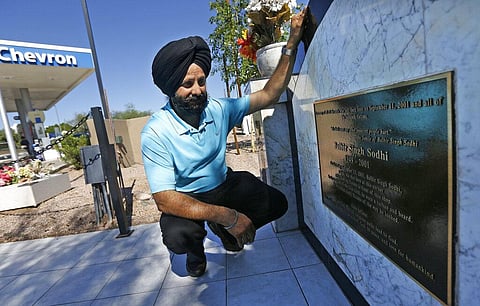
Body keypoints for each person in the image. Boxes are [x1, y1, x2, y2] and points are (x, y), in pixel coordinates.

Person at [141, 9, 306, 277]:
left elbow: (269, 95)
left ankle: (223, 231)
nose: (197, 90)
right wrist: (229, 216)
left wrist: (291, 46)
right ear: (170, 88)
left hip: (223, 185)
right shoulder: (156, 132)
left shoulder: (219, 109)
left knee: (277, 203)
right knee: (179, 236)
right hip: (185, 196)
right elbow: (165, 199)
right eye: (187, 84)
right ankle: (198, 247)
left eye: (201, 81)